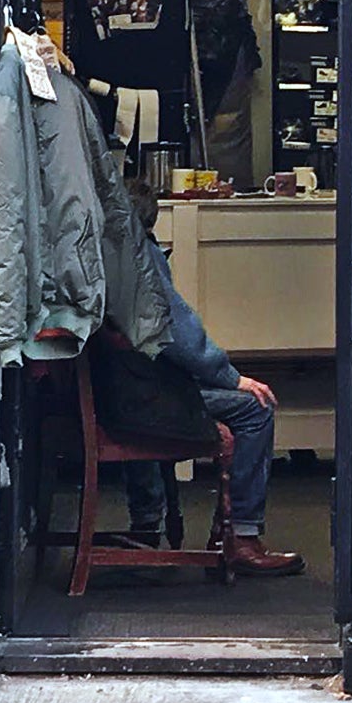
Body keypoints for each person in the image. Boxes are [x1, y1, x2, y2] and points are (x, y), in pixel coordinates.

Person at [118, 232, 303, 577]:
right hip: (148, 398)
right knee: (255, 408)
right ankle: (241, 536)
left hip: (119, 391)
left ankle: (146, 520)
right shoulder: (140, 257)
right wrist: (231, 378)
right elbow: (181, 337)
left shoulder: (96, 252)